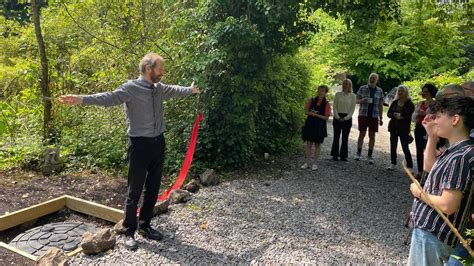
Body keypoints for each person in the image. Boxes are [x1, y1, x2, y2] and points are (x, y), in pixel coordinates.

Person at [58, 53, 200, 250]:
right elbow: (107, 98)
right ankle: (128, 231)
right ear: (149, 69)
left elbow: (175, 89)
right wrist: (81, 99)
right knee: (134, 191)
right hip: (139, 145)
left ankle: (145, 226)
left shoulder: (158, 89)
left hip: (159, 143)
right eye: (160, 68)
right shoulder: (130, 88)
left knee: (152, 188)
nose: (163, 72)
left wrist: (191, 90)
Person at [408, 96, 473, 265]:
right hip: (433, 233)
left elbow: (447, 205)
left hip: (434, 233)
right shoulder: (457, 150)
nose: (434, 120)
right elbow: (430, 167)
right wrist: (432, 137)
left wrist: (419, 193)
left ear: (455, 119)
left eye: (439, 116)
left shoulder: (461, 156)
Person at [354, 73, 384, 164]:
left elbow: (380, 105)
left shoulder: (379, 90)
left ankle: (370, 155)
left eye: (374, 78)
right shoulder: (362, 88)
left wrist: (381, 117)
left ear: (376, 80)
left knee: (372, 135)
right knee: (362, 134)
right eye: (371, 77)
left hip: (374, 116)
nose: (372, 79)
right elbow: (355, 100)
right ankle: (358, 153)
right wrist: (362, 100)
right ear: (369, 78)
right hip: (363, 114)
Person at [301, 85, 331, 170]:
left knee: (317, 144)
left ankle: (315, 163)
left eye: (322, 91)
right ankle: (307, 162)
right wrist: (311, 113)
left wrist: (316, 115)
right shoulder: (312, 100)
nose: (320, 92)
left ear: (325, 93)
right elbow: (306, 111)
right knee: (309, 143)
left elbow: (326, 117)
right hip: (310, 124)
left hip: (320, 126)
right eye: (319, 90)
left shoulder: (326, 103)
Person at [411, 83, 438, 178]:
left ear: (431, 93)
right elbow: (413, 118)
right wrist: (418, 112)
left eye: (426, 91)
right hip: (419, 127)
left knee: (428, 149)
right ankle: (420, 170)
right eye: (423, 91)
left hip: (429, 129)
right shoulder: (420, 103)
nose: (424, 93)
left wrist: (425, 113)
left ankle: (428, 171)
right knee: (419, 149)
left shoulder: (435, 104)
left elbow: (436, 117)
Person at [387, 85, 415, 171]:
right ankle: (393, 163)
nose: (400, 93)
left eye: (402, 91)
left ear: (406, 92)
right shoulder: (394, 102)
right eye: (399, 91)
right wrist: (393, 114)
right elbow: (388, 114)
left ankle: (410, 165)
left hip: (404, 128)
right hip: (394, 127)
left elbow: (412, 117)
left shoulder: (410, 104)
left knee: (405, 147)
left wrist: (402, 117)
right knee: (393, 146)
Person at [330, 78, 356, 161]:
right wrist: (337, 116)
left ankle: (343, 155)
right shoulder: (338, 94)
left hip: (347, 118)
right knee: (336, 137)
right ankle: (335, 154)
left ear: (350, 86)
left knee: (345, 137)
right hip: (337, 117)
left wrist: (345, 118)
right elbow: (334, 107)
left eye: (347, 84)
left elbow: (352, 110)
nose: (345, 85)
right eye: (344, 83)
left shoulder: (353, 96)